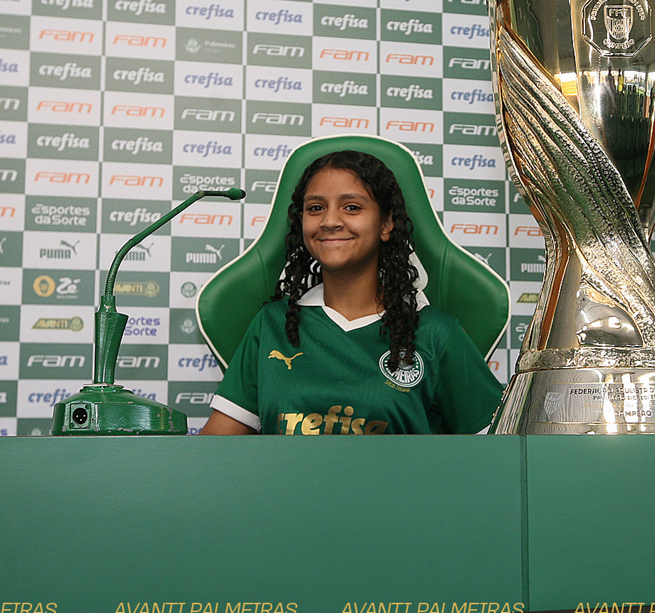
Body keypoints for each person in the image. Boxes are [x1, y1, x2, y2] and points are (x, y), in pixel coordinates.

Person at [201, 150, 504, 435]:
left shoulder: (436, 332)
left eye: (352, 207)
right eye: (316, 208)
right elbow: (215, 451)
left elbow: (497, 451)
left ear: (386, 224)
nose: (330, 221)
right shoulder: (272, 324)